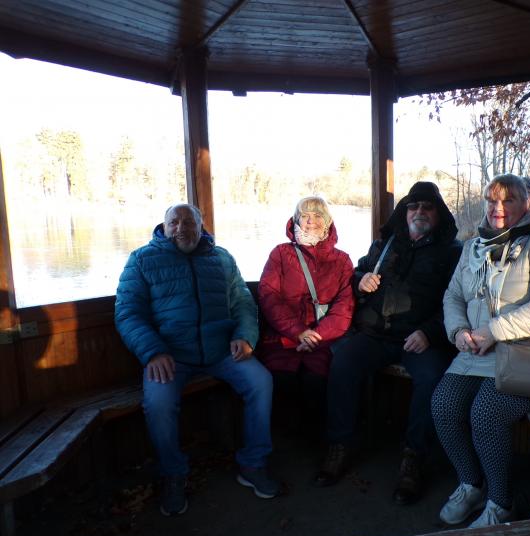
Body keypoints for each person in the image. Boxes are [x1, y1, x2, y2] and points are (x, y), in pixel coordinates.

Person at [115, 204, 277, 517]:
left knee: (261, 382)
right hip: (171, 355)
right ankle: (173, 473)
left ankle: (253, 463)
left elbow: (243, 303)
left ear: (201, 227)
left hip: (222, 351)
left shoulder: (221, 258)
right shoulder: (142, 260)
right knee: (159, 403)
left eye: (189, 222)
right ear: (163, 227)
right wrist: (153, 351)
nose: (181, 228)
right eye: (174, 222)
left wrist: (245, 336)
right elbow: (128, 313)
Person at [432, 174, 530, 528]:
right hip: (475, 352)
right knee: (443, 406)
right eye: (492, 200)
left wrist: (493, 331)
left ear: (526, 203)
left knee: (486, 414)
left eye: (508, 200)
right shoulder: (472, 247)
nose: (498, 208)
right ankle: (471, 485)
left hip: (525, 357)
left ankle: (501, 503)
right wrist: (458, 331)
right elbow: (453, 295)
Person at [314, 181, 462, 505]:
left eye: (427, 207)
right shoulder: (385, 244)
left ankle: (414, 457)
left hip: (420, 339)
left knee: (432, 377)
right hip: (376, 334)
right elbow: (356, 273)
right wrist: (360, 281)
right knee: (343, 362)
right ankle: (339, 444)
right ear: (405, 212)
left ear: (438, 213)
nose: (419, 211)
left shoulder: (453, 252)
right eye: (413, 206)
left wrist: (430, 333)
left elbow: (457, 301)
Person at [257, 197, 355, 435]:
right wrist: (298, 332)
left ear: (327, 222)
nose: (311, 221)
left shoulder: (342, 261)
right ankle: (283, 440)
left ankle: (315, 440)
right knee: (280, 379)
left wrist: (316, 336)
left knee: (317, 382)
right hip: (283, 338)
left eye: (317, 216)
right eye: (305, 216)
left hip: (323, 341)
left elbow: (344, 308)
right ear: (296, 220)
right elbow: (269, 296)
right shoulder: (280, 254)